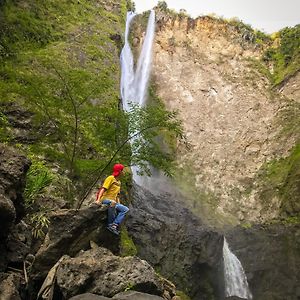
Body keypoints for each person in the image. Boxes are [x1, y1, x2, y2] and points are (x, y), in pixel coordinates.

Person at [95, 163, 129, 235]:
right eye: (122, 170)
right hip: (105, 199)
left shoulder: (119, 182)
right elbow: (103, 189)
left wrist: (119, 204)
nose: (123, 172)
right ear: (119, 171)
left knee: (125, 209)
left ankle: (114, 225)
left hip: (113, 201)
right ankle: (110, 225)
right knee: (113, 203)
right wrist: (98, 200)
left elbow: (117, 196)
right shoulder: (110, 178)